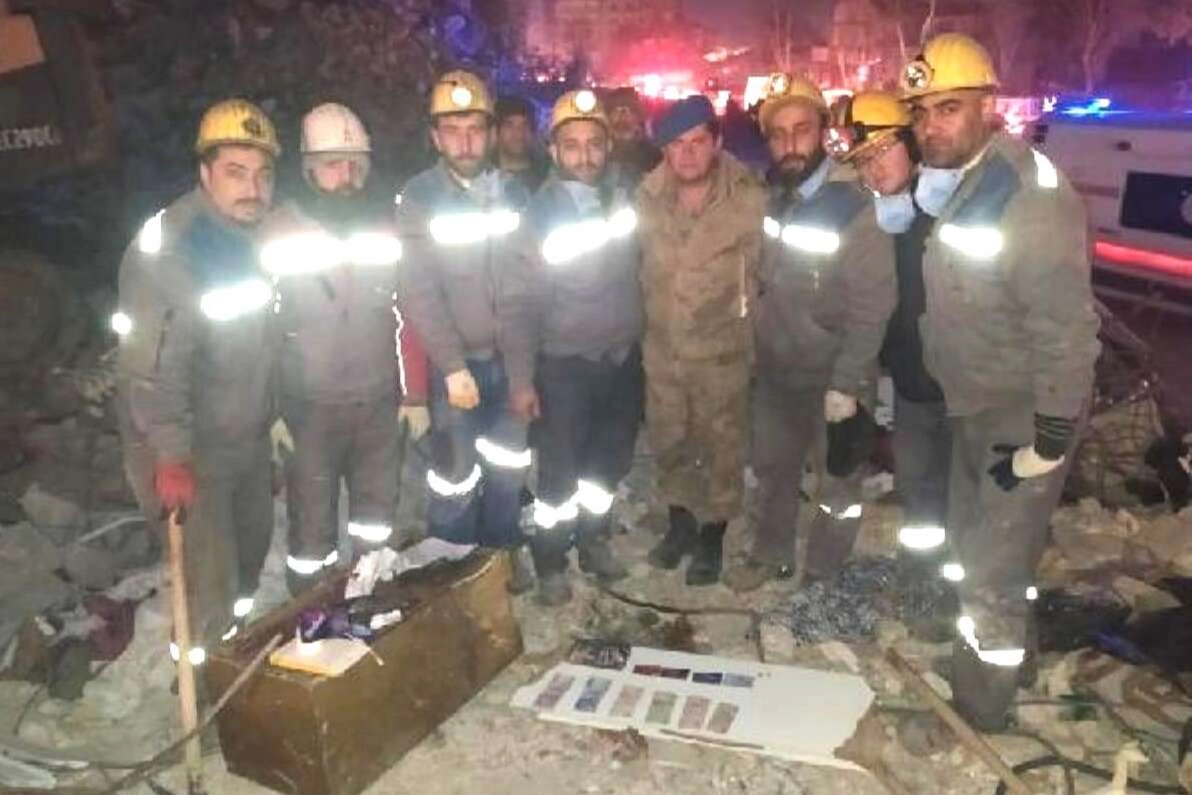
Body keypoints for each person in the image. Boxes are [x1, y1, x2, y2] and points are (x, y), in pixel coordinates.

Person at [898, 33, 1100, 738]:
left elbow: (1065, 329)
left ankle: (977, 713)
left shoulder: (1027, 197)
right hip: (976, 402)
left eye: (948, 108)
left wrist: (1048, 439)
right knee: (977, 544)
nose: (930, 127)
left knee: (990, 567)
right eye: (921, 112)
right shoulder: (967, 179)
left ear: (990, 106)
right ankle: (1011, 655)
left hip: (1024, 408)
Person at [114, 99, 279, 665]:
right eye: (236, 173)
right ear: (205, 174)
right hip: (188, 447)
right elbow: (154, 365)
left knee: (249, 554)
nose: (252, 188)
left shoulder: (253, 234)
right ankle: (199, 684)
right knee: (208, 580)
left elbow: (260, 339)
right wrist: (171, 455)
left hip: (241, 433)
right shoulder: (174, 248)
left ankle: (233, 654)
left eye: (261, 175)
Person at [723, 75, 895, 592]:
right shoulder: (775, 196)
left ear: (822, 131)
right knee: (772, 471)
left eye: (801, 130)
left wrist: (847, 383)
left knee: (837, 482)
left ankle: (823, 570)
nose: (790, 144)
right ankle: (770, 552)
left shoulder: (855, 206)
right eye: (778, 134)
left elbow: (873, 305)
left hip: (834, 375)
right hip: (778, 369)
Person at [258, 103, 428, 594]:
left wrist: (415, 393)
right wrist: (270, 410)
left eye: (356, 164)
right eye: (333, 164)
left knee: (376, 521)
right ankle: (311, 608)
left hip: (378, 403)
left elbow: (409, 312)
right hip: (308, 409)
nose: (347, 176)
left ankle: (369, 600)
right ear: (309, 168)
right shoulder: (277, 231)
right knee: (311, 529)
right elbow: (259, 332)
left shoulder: (386, 226)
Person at [502, 89, 643, 605]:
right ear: (554, 150)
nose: (585, 156)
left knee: (606, 466)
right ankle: (551, 560)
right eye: (572, 145)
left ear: (608, 146)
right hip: (565, 368)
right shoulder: (537, 216)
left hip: (621, 361)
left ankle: (594, 539)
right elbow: (518, 307)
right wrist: (521, 381)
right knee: (559, 477)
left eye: (594, 144)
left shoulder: (624, 198)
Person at [395, 70, 534, 582]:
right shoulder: (418, 198)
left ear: (492, 134)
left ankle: (499, 559)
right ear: (435, 138)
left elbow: (526, 286)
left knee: (507, 467)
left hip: (508, 361)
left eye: (475, 129)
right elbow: (419, 291)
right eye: (452, 131)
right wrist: (453, 367)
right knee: (454, 478)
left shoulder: (513, 194)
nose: (466, 141)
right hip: (455, 370)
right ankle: (452, 573)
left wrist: (523, 374)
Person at [638, 95, 766, 586]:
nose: (688, 154)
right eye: (677, 144)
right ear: (665, 150)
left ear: (716, 142)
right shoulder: (645, 198)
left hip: (722, 353)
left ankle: (713, 532)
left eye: (697, 142)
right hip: (664, 350)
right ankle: (680, 524)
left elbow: (768, 272)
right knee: (669, 438)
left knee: (722, 445)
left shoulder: (749, 198)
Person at [825, 92, 952, 573]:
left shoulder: (949, 212)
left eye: (883, 151)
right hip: (911, 387)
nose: (874, 169)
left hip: (962, 390)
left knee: (965, 497)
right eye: (864, 160)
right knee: (918, 491)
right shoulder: (886, 217)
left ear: (912, 143)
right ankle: (924, 580)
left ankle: (964, 591)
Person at [603, 86, 661, 192]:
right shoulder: (599, 151)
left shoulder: (654, 156)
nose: (622, 115)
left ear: (638, 117)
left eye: (629, 110)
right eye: (616, 110)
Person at [494, 95, 549, 194]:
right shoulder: (482, 180)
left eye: (525, 125)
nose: (519, 133)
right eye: (509, 125)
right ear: (496, 131)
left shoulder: (549, 178)